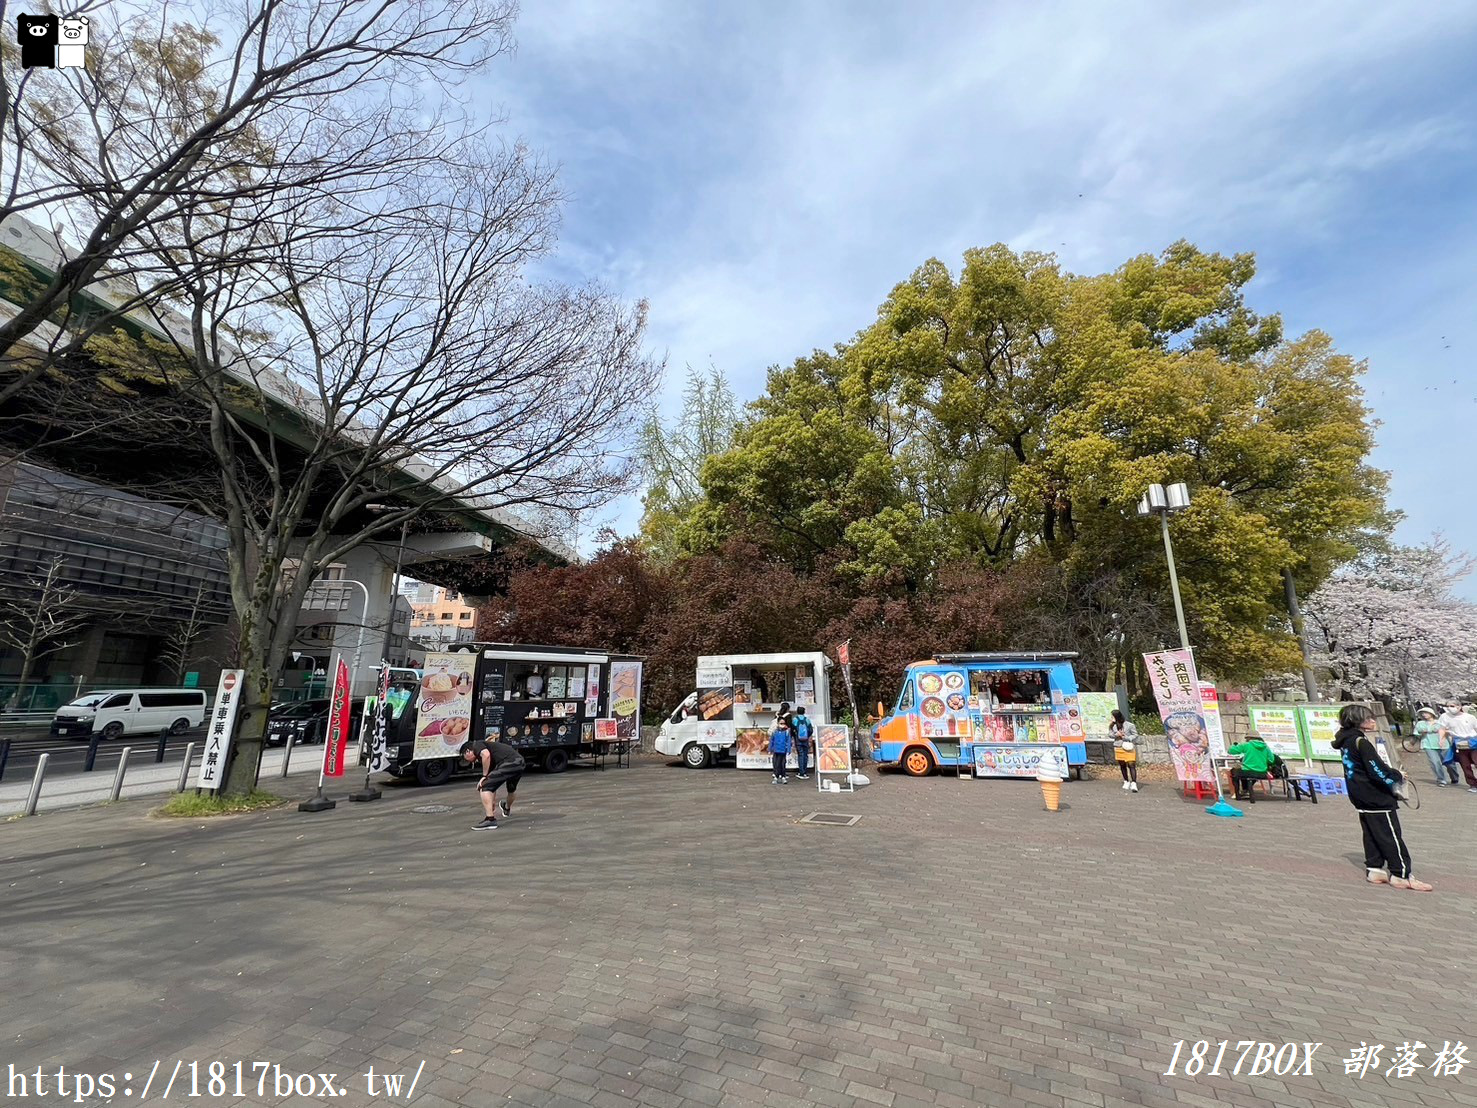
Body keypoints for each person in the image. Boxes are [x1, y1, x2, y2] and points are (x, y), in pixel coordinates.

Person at [1331, 704, 1431, 892]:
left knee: (1371, 833)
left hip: (1359, 794)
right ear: (1358, 722)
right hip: (1375, 796)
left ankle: (1374, 868)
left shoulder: (1345, 741)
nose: (1372, 721)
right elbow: (1376, 770)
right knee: (1390, 835)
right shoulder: (1361, 742)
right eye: (1368, 718)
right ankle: (1401, 874)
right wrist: (1396, 776)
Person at [460, 737, 526, 830]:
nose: (470, 762)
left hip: (509, 762)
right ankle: (506, 808)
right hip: (519, 762)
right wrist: (492, 802)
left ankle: (490, 820)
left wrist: (484, 776)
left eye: (466, 759)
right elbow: (493, 785)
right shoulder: (492, 757)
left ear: (468, 751)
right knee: (511, 789)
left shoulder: (476, 745)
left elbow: (486, 755)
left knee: (484, 786)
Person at [1437, 701, 1477, 791]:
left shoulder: (1469, 717)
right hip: (1459, 742)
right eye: (1447, 706)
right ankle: (1473, 784)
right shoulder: (1445, 717)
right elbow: (1442, 728)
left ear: (1459, 707)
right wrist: (1441, 739)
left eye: (1452, 706)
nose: (1450, 708)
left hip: (1473, 741)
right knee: (1465, 765)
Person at [1226, 733, 1277, 800]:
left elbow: (1231, 751)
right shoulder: (1265, 747)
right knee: (1248, 773)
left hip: (1248, 771)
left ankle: (1238, 794)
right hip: (1262, 773)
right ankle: (1246, 790)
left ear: (1249, 738)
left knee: (1235, 771)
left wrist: (1234, 745)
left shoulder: (1247, 745)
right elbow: (1271, 760)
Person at [1414, 707, 1449, 787]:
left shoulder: (1440, 722)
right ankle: (1441, 779)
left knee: (1449, 763)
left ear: (1431, 714)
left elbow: (1447, 731)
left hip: (1442, 745)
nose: (1424, 714)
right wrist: (1422, 732)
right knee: (1435, 762)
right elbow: (1416, 733)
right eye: (1422, 713)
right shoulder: (1420, 723)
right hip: (1428, 744)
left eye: (1426, 713)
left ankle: (1454, 776)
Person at [1108, 709, 1139, 792]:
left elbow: (1135, 734)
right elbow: (1110, 734)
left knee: (1131, 764)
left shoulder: (1129, 725)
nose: (1112, 718)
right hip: (1118, 746)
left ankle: (1134, 783)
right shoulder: (1112, 726)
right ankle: (1126, 781)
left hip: (1128, 746)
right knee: (1122, 765)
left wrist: (1126, 737)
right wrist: (1116, 735)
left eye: (1113, 716)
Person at [791, 706, 814, 780]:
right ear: (804, 712)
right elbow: (810, 730)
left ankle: (801, 772)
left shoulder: (795, 719)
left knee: (800, 755)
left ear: (797, 711)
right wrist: (807, 736)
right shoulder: (807, 719)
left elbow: (792, 729)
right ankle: (805, 772)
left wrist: (794, 736)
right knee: (805, 755)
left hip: (798, 740)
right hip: (805, 740)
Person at [769, 715, 792, 785]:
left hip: (783, 751)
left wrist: (788, 749)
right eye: (781, 723)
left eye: (783, 723)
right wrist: (770, 749)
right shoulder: (774, 732)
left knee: (783, 764)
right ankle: (776, 777)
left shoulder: (786, 732)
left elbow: (788, 741)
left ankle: (783, 776)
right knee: (776, 764)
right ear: (778, 724)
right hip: (776, 750)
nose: (782, 725)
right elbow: (771, 741)